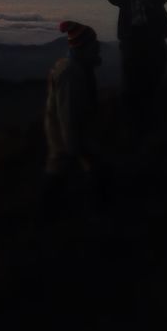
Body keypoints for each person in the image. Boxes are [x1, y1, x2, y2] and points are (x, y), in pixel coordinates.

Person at [104, 0, 167, 136]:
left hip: (153, 40)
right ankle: (134, 125)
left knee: (153, 81)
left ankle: (149, 121)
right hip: (132, 41)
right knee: (132, 83)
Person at [43, 21, 108, 212]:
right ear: (84, 46)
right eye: (93, 43)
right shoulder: (72, 74)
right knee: (58, 191)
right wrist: (77, 151)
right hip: (69, 150)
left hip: (71, 147)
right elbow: (69, 117)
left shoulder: (76, 68)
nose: (98, 46)